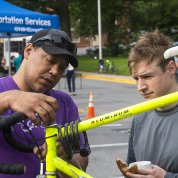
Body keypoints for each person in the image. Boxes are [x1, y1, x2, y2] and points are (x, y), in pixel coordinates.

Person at [0, 29, 88, 178]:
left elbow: (81, 165)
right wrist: (10, 98)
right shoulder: (3, 91)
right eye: (50, 60)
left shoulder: (64, 103)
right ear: (28, 51)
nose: (55, 71)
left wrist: (63, 158)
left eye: (62, 67)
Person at [126, 30, 178, 178]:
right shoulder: (139, 118)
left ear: (171, 69)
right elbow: (132, 164)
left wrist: (166, 177)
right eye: (136, 78)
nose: (140, 87)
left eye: (147, 76)